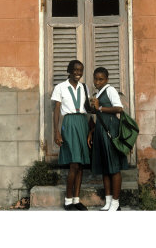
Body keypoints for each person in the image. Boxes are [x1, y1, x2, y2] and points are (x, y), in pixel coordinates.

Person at [51, 60, 91, 211]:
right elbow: (56, 110)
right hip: (69, 123)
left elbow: (88, 109)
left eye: (80, 70)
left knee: (80, 165)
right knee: (73, 163)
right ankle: (68, 201)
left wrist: (91, 130)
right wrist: (56, 131)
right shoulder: (60, 87)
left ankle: (76, 199)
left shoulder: (85, 87)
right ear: (69, 70)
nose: (78, 73)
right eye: (75, 70)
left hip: (82, 123)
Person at [88, 67, 128, 211]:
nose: (97, 82)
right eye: (95, 79)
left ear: (107, 79)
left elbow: (119, 108)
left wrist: (100, 108)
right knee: (106, 168)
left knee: (114, 168)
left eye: (101, 79)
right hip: (100, 131)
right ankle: (109, 200)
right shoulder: (97, 93)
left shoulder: (110, 90)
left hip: (110, 131)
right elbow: (97, 113)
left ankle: (116, 203)